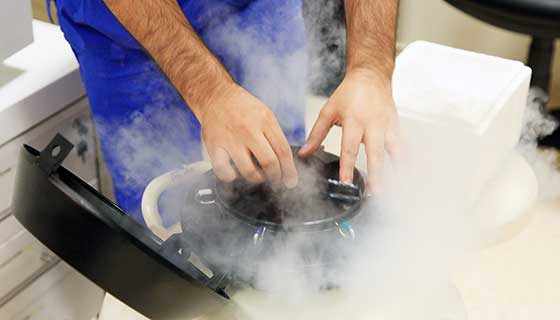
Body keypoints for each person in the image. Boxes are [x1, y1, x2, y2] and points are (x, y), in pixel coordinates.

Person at [52, 0, 399, 223]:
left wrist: (370, 66)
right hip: (129, 21)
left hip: (255, 6)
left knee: (282, 180)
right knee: (164, 215)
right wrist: (210, 91)